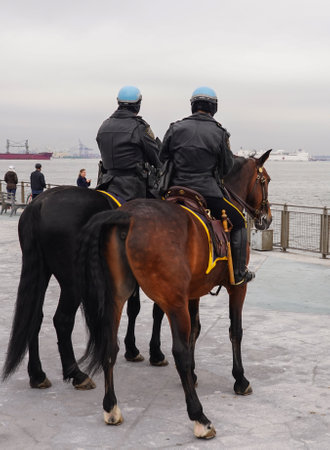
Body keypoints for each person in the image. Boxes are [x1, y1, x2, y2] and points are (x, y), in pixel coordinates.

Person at [160, 86, 254, 285]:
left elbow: (162, 157)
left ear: (193, 106)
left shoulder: (175, 127)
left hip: (174, 191)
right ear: (214, 107)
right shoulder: (219, 132)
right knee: (239, 222)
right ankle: (238, 273)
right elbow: (227, 167)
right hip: (207, 193)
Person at [96, 85, 161, 201]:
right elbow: (155, 158)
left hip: (105, 184)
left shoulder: (104, 125)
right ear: (138, 104)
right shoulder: (140, 127)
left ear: (118, 102)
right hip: (133, 188)